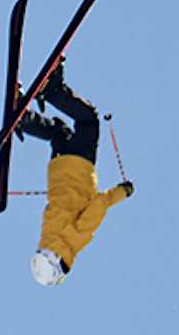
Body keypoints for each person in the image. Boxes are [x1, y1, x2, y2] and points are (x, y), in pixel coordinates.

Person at [16, 64, 132, 286]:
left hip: (78, 166)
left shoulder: (74, 240)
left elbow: (99, 204)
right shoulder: (48, 235)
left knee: (89, 120)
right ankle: (26, 121)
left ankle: (53, 91)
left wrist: (123, 191)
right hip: (57, 168)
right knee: (59, 133)